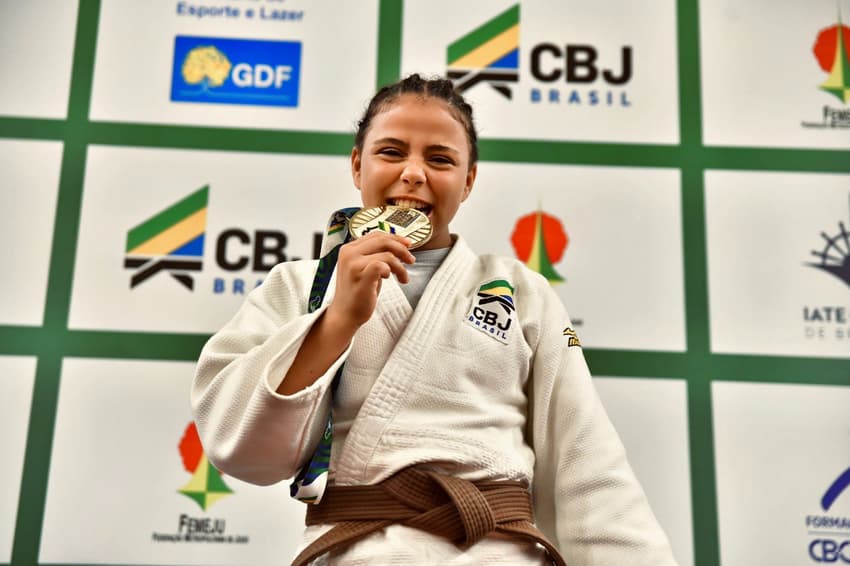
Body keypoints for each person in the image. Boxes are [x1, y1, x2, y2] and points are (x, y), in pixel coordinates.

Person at [191, 73, 678, 565]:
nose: (414, 173)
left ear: (468, 181)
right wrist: (338, 319)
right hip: (361, 553)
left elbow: (586, 457)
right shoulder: (299, 285)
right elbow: (242, 447)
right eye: (391, 152)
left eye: (440, 159)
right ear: (357, 165)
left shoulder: (522, 292)